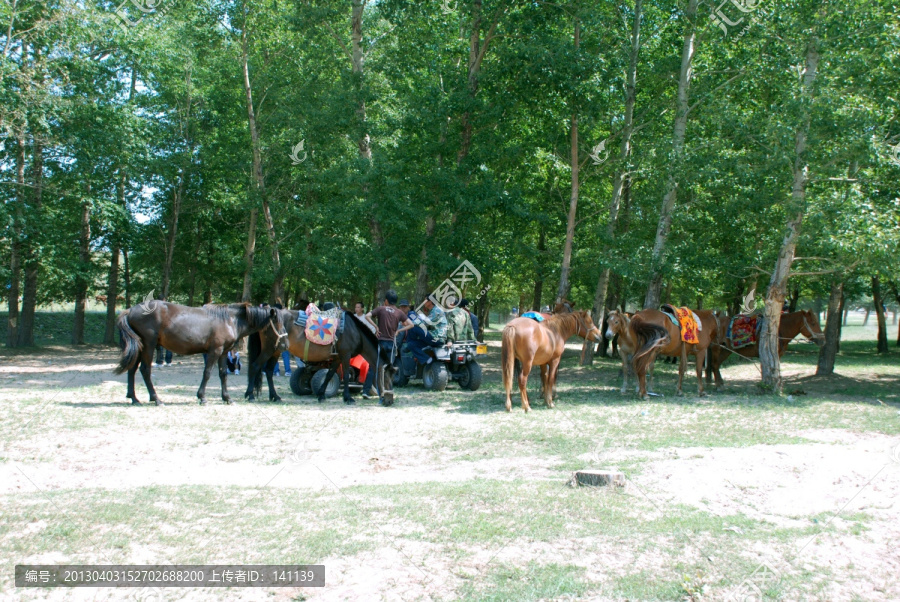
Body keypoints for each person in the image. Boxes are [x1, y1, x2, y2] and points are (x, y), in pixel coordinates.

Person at [363, 290, 413, 403]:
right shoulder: (399, 312)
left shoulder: (380, 309)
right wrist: (398, 330)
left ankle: (367, 391)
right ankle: (387, 393)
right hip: (391, 344)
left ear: (386, 300)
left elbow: (367, 316)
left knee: (375, 367)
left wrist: (376, 326)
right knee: (388, 370)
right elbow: (411, 324)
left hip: (380, 342)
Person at [405, 297, 448, 365]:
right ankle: (427, 359)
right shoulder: (432, 311)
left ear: (430, 301)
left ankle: (407, 346)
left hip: (437, 338)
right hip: (432, 336)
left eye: (425, 300)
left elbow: (425, 323)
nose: (423, 302)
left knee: (413, 328)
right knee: (411, 345)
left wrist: (410, 323)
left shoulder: (437, 310)